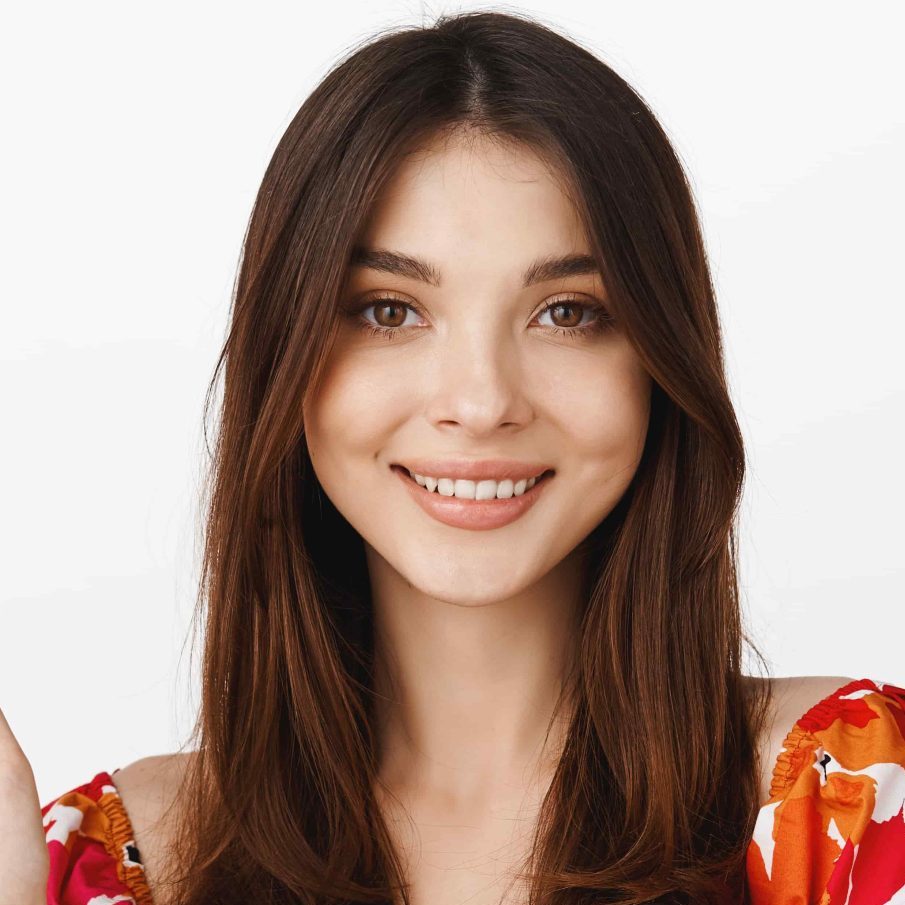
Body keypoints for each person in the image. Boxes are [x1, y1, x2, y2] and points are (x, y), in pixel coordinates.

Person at [2, 9, 903, 905]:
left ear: (660, 361)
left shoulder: (848, 800)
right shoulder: (99, 868)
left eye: (568, 311)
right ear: (286, 353)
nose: (479, 403)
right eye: (389, 309)